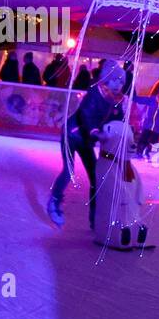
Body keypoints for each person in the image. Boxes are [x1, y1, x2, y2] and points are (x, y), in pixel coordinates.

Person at [46, 62, 125, 228]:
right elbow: (85, 115)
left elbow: (117, 121)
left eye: (121, 82)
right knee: (69, 171)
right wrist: (96, 133)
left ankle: (95, 219)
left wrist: (126, 132)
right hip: (71, 134)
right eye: (115, 80)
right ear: (106, 80)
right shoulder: (94, 94)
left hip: (86, 141)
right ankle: (54, 201)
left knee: (97, 177)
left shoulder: (115, 101)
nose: (119, 85)